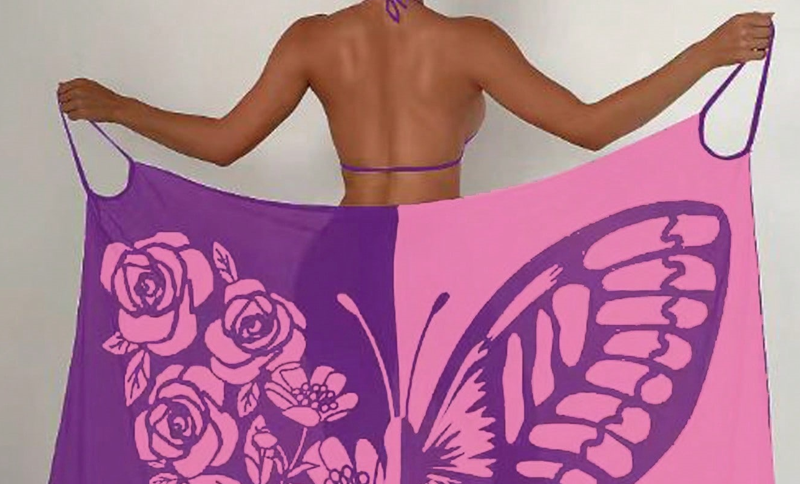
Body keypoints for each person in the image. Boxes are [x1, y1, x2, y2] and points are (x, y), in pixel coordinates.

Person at [56, 0, 773, 207]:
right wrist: (704, 54)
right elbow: (589, 127)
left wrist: (123, 107)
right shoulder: (470, 43)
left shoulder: (313, 40)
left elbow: (224, 143)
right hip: (435, 268)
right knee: (446, 472)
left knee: (348, 469)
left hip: (342, 262)